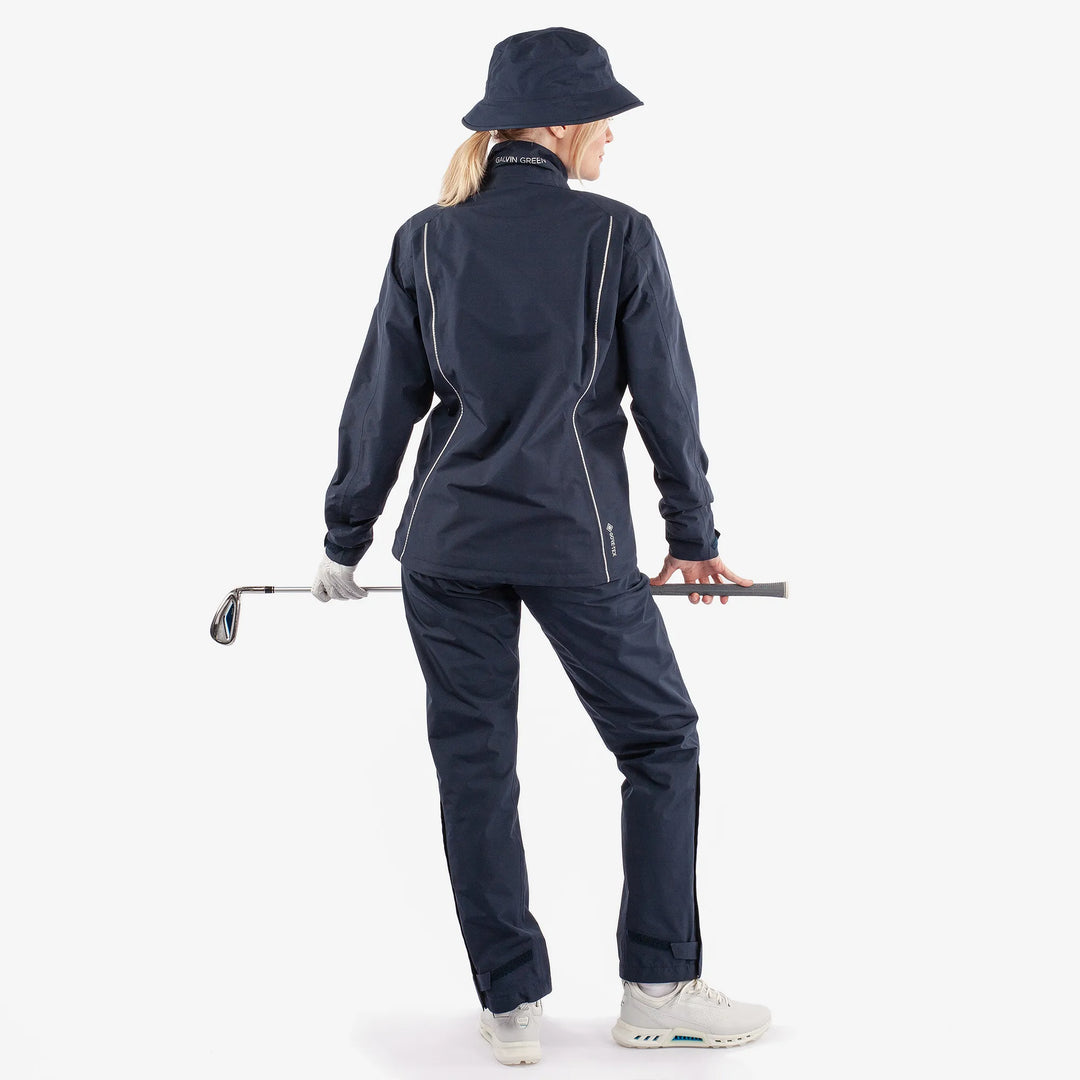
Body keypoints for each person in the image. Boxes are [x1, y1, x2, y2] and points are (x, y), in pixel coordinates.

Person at [312, 26, 771, 1066]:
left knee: (474, 768)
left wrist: (345, 538)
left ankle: (510, 1004)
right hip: (578, 543)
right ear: (560, 124)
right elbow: (667, 401)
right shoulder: (619, 234)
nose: (612, 135)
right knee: (660, 743)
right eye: (603, 118)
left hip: (445, 547)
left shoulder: (426, 238)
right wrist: (693, 536)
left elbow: (381, 402)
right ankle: (660, 988)